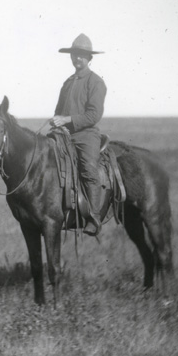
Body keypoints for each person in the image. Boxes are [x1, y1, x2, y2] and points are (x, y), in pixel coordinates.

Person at [48, 33, 107, 236]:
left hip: (86, 135)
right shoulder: (67, 83)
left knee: (89, 170)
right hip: (63, 134)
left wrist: (67, 120)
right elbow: (59, 110)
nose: (77, 58)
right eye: (74, 54)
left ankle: (94, 217)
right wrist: (56, 121)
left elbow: (93, 115)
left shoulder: (96, 82)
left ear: (90, 58)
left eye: (81, 55)